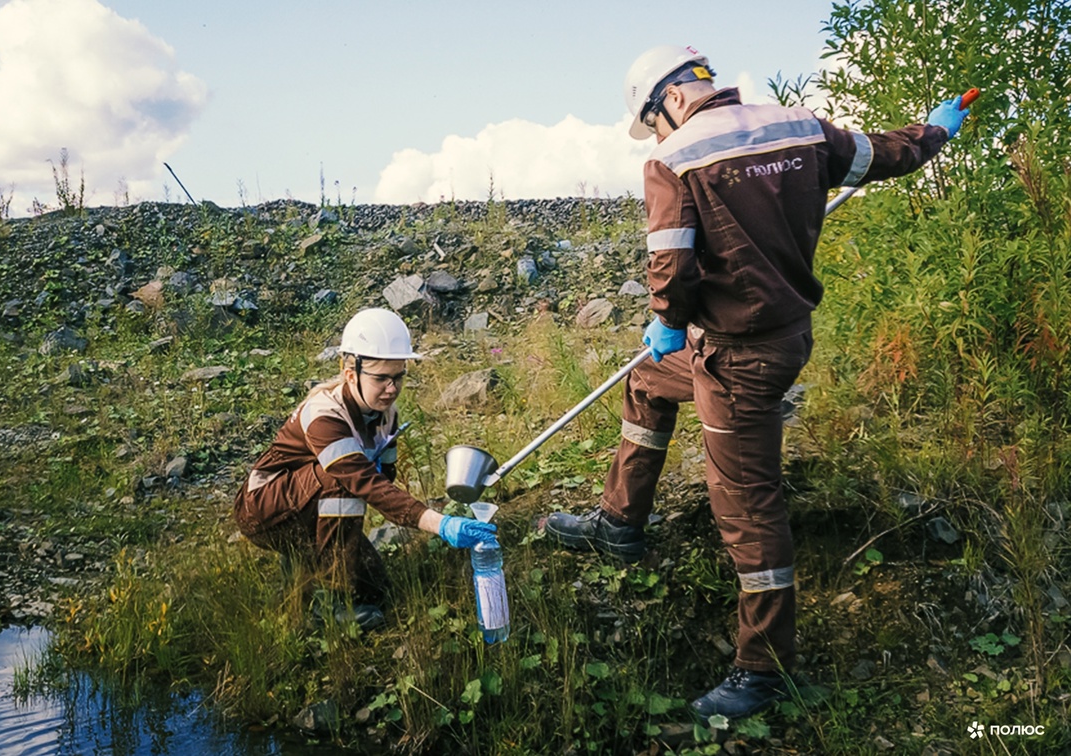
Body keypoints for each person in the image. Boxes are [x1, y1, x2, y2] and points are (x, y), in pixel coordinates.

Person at [546, 45, 970, 720]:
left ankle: (763, 669)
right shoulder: (800, 124)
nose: (658, 133)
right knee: (649, 380)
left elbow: (671, 267)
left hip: (737, 359)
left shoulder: (673, 158)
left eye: (653, 120)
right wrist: (936, 129)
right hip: (781, 338)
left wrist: (667, 318)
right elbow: (885, 155)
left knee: (747, 507)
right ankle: (620, 522)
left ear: (671, 99)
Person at [234, 308, 497, 630]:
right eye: (381, 378)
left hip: (304, 506)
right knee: (338, 480)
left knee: (376, 590)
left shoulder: (386, 413)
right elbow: (364, 484)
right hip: (262, 512)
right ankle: (330, 605)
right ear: (350, 374)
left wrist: (382, 480)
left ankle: (302, 564)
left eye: (398, 376)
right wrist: (439, 524)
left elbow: (384, 478)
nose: (392, 388)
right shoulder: (324, 416)